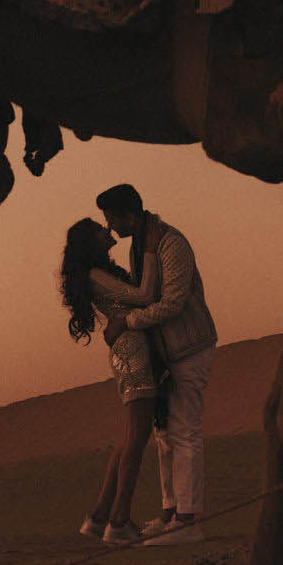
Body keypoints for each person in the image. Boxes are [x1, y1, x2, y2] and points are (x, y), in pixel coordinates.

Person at [96, 184, 217, 546]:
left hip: (189, 349)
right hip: (163, 356)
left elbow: (173, 302)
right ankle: (169, 514)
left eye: (113, 219)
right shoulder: (143, 246)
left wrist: (127, 323)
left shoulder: (171, 244)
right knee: (165, 437)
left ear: (129, 215)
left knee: (185, 432)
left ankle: (188, 521)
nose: (111, 228)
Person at [58, 217, 162, 546]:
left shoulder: (99, 274)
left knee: (130, 435)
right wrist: (149, 251)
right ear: (90, 241)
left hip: (128, 352)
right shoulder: (96, 276)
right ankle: (119, 520)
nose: (107, 229)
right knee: (137, 438)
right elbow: (144, 296)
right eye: (99, 228)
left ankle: (100, 515)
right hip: (133, 354)